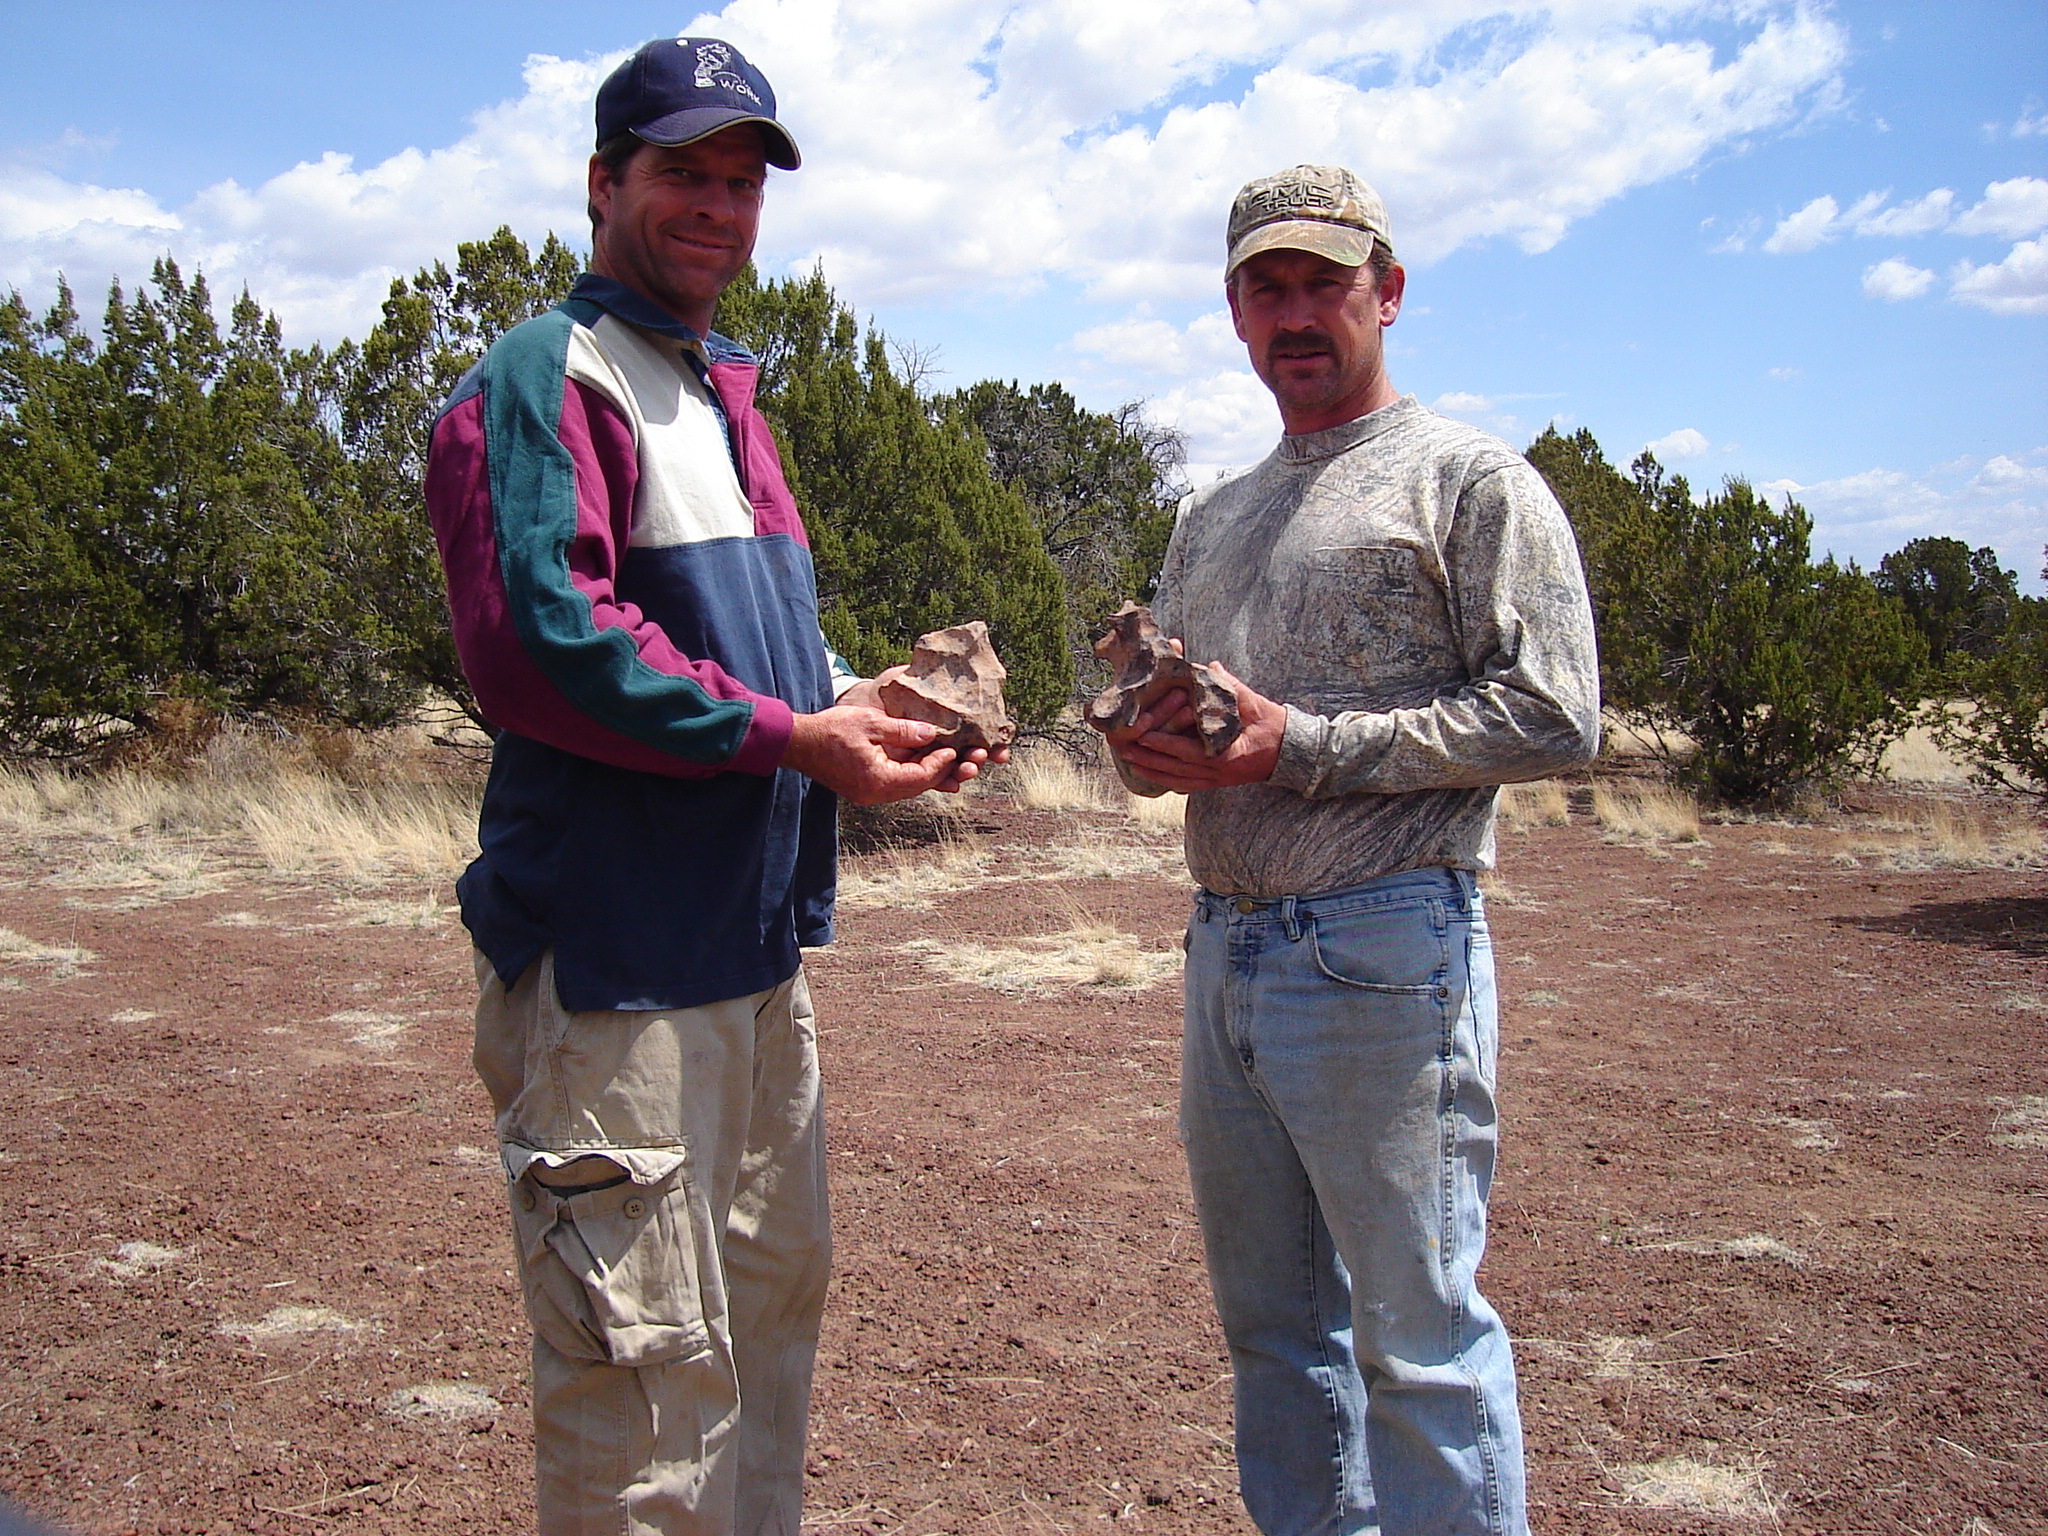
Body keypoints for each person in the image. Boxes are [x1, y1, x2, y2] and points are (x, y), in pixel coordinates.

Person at [424, 36, 994, 1536]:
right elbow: (543, 646)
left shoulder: (725, 394)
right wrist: (793, 740)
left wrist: (855, 709)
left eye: (742, 183)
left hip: (751, 969)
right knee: (644, 1389)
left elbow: (751, 664)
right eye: (685, 173)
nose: (719, 208)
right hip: (618, 975)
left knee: (761, 1344)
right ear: (605, 184)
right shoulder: (549, 376)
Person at [1102, 164, 1600, 1536]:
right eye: (1270, 286)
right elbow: (1209, 720)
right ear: (1233, 311)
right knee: (1275, 1338)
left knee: (1418, 1343)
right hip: (1227, 950)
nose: (1298, 311)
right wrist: (1148, 754)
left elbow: (1558, 712)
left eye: (1327, 280)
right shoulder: (1214, 516)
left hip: (1386, 946)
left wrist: (1302, 747)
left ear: (1388, 289)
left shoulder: (1466, 480)